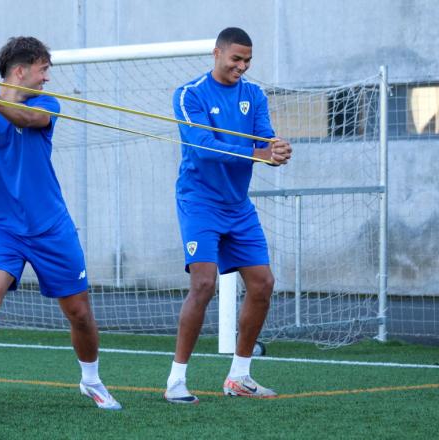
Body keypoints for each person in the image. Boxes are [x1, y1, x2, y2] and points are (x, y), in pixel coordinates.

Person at [0, 36, 120, 419]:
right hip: (3, 228)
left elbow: (29, 119)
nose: (47, 77)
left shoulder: (46, 104)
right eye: (43, 69)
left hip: (51, 227)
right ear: (21, 70)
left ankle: (91, 380)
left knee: (78, 311)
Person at [165, 27, 292, 404]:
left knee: (263, 283)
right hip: (199, 201)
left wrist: (277, 148)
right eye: (235, 59)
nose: (241, 67)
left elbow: (263, 140)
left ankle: (239, 376)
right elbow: (202, 148)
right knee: (203, 284)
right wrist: (259, 153)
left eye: (247, 61)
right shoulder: (189, 95)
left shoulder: (253, 95)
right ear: (216, 53)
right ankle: (176, 380)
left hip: (238, 205)